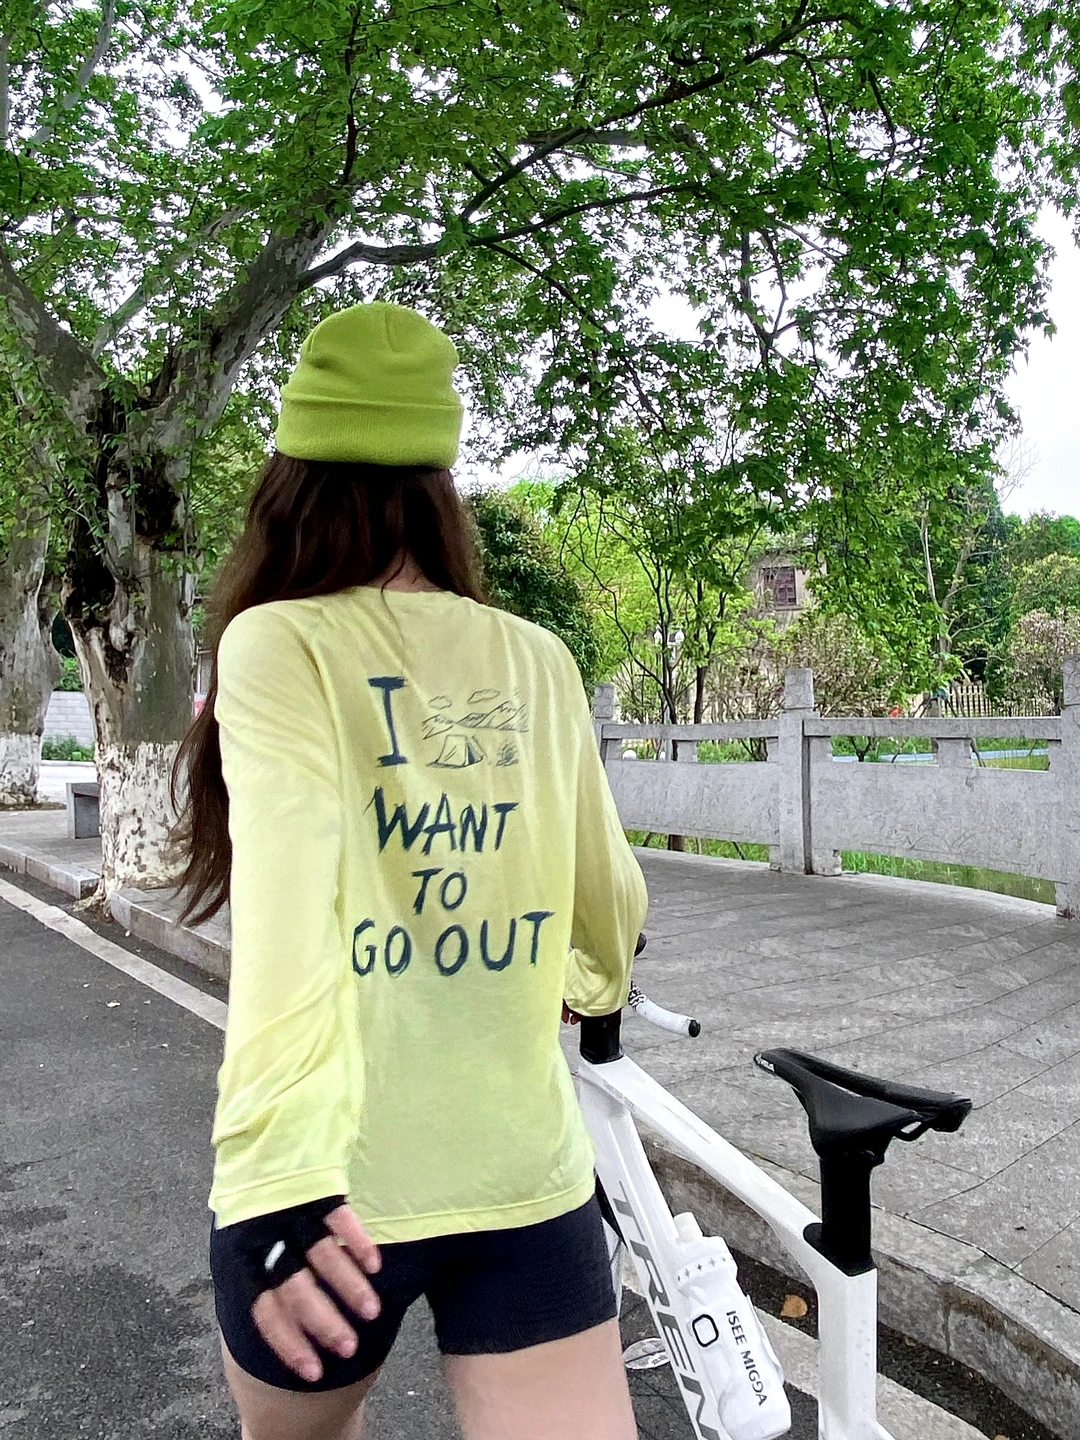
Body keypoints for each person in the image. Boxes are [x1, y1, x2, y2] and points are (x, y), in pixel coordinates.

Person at [172, 300, 649, 1440]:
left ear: (288, 482)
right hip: (526, 1176)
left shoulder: (276, 642)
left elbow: (289, 911)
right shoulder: (538, 658)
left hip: (332, 1203)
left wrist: (276, 1177)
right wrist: (588, 983)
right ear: (442, 488)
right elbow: (608, 902)